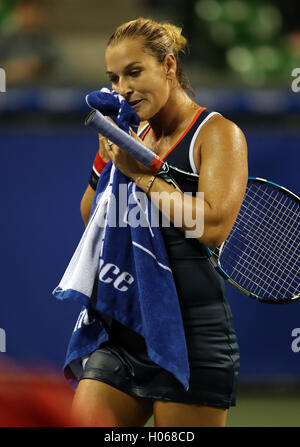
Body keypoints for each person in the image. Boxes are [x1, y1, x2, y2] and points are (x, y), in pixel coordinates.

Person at [72, 17, 248, 427]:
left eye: (135, 72)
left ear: (168, 66)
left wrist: (140, 175)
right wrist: (107, 162)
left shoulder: (217, 133)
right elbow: (91, 218)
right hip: (125, 327)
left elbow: (213, 227)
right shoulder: (132, 134)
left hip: (192, 335)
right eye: (114, 78)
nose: (122, 89)